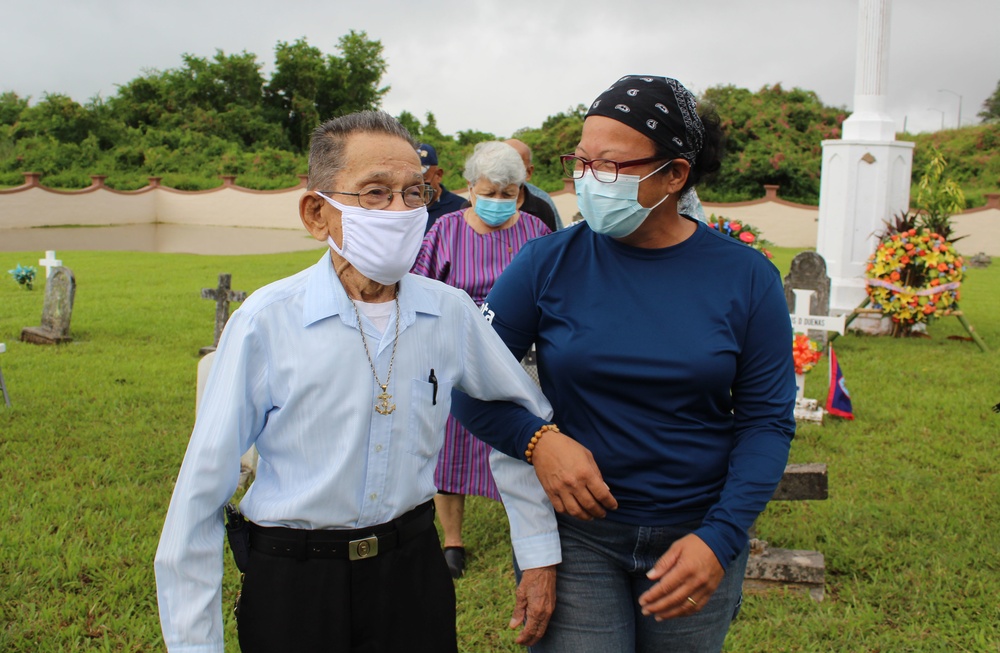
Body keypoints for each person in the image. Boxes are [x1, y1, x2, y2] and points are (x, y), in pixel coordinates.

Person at [154, 111, 561, 653]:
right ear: (317, 212)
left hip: (412, 573)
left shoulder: (450, 312)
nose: (400, 211)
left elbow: (520, 416)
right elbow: (202, 491)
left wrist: (536, 550)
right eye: (375, 193)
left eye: (414, 194)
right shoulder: (267, 321)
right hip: (295, 582)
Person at [454, 75, 796, 652]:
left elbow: (766, 421)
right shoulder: (548, 262)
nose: (588, 180)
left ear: (675, 174)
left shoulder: (745, 277)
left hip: (697, 531)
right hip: (579, 536)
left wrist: (720, 536)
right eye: (581, 162)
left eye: (610, 165)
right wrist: (538, 441)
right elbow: (468, 383)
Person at [412, 141, 552, 579]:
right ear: (470, 188)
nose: (497, 201)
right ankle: (452, 540)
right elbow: (418, 288)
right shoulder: (444, 230)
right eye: (488, 192)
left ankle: (528, 533)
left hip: (522, 357)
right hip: (456, 352)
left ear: (520, 192)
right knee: (449, 446)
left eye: (507, 193)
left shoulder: (536, 234)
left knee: (523, 440)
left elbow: (557, 292)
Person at [504, 138, 562, 231]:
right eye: (502, 162)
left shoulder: (543, 204)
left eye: (515, 165)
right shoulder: (480, 200)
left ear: (528, 172)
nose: (507, 170)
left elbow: (557, 241)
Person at [418, 142, 466, 233]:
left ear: (438, 175)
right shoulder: (401, 208)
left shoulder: (460, 208)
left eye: (423, 181)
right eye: (410, 184)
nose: (416, 189)